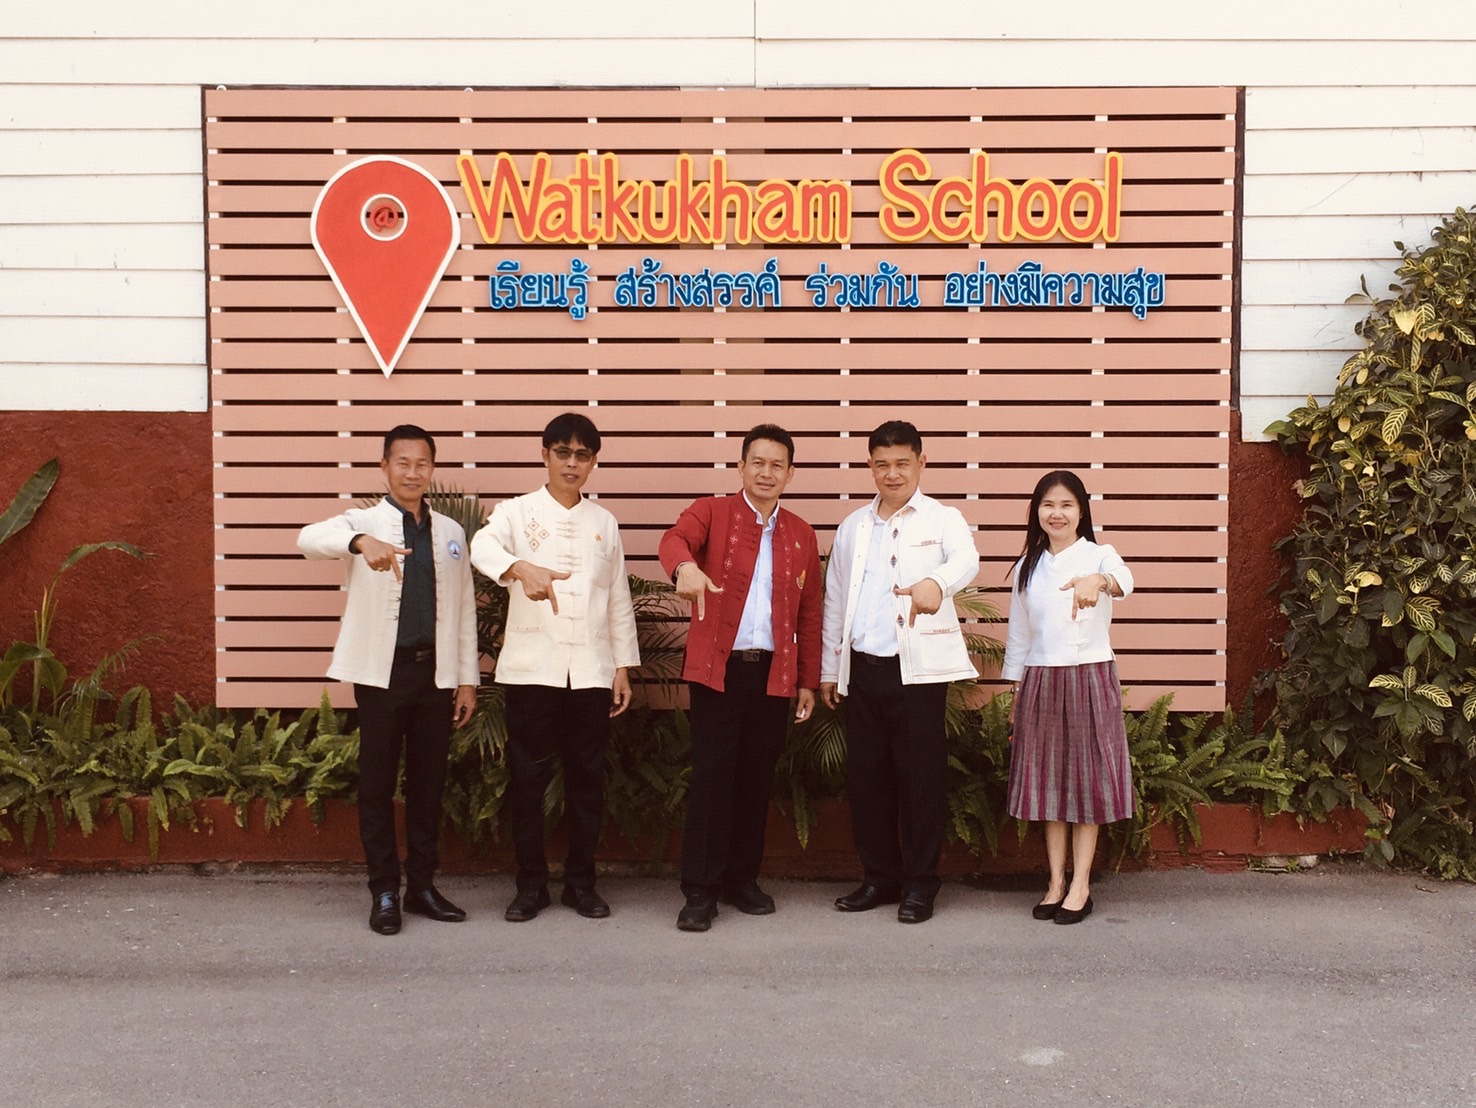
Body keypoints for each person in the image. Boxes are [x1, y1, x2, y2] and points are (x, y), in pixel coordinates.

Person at [297, 425, 479, 936]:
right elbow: (307, 539)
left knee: (428, 784)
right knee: (376, 784)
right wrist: (359, 542)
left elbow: (464, 608)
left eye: (422, 463)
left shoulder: (450, 532)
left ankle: (421, 886)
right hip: (383, 674)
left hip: (435, 675)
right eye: (403, 462)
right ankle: (383, 890)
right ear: (384, 467)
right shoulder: (364, 521)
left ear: (432, 469)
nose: (412, 473)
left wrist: (467, 681)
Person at [470, 413, 640, 922]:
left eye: (582, 455)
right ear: (544, 455)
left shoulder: (604, 522)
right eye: (562, 452)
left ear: (593, 462)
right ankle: (530, 886)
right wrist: (519, 567)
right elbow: (481, 547)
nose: (571, 463)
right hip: (532, 670)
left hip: (590, 671)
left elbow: (617, 598)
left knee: (588, 782)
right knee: (528, 781)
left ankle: (581, 885)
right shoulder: (516, 512)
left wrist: (622, 666)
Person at [659, 424, 823, 933]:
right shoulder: (712, 512)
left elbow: (810, 613)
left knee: (755, 779)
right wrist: (683, 568)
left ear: (790, 473)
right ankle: (700, 889)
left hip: (772, 674)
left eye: (777, 465)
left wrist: (807, 680)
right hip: (718, 671)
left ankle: (741, 879)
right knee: (712, 779)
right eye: (758, 462)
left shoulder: (801, 534)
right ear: (741, 467)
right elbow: (674, 540)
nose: (766, 473)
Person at [820, 420, 980, 924]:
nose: (892, 473)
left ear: (921, 463)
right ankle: (879, 878)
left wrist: (937, 581)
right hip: (863, 671)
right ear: (870, 466)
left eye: (902, 463)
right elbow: (835, 600)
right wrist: (830, 669)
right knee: (867, 781)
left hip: (918, 675)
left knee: (920, 782)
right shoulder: (853, 526)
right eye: (882, 464)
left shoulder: (943, 519)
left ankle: (920, 885)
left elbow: (967, 559)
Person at [1001, 470, 1134, 926]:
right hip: (1040, 678)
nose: (1056, 514)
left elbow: (1125, 581)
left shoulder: (1100, 555)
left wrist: (1098, 582)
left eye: (1066, 505)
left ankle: (1081, 886)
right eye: (1048, 505)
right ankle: (1056, 882)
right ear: (1036, 512)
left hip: (1089, 675)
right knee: (1049, 783)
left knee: (1088, 780)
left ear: (1081, 512)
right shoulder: (1027, 566)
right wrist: (1016, 691)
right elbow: (1019, 635)